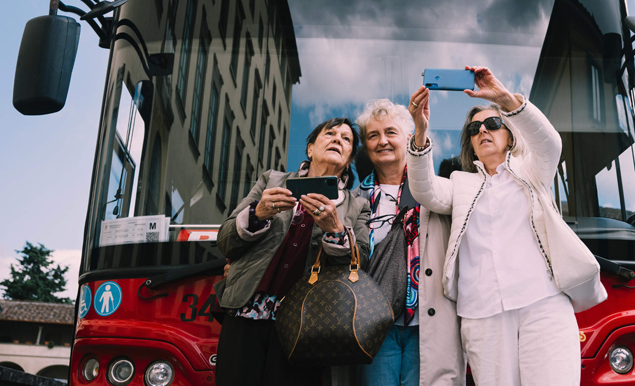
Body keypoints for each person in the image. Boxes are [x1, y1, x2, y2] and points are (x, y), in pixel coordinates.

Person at [406, 66, 607, 386]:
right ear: (471, 144)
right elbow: (424, 190)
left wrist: (505, 99)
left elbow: (550, 143)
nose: (483, 131)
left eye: (493, 123)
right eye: (474, 129)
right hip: (482, 314)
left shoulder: (532, 171)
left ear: (510, 134)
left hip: (544, 305)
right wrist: (419, 132)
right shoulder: (460, 183)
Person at [214, 117, 371, 386]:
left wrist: (336, 230)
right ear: (310, 149)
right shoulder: (272, 180)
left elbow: (361, 262)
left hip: (306, 325)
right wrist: (258, 213)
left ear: (348, 161)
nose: (337, 139)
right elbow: (225, 240)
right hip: (245, 313)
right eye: (330, 133)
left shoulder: (357, 206)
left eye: (346, 139)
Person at [355, 99, 464, 386]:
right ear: (366, 146)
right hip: (375, 325)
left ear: (407, 138)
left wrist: (422, 133)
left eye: (390, 132)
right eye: (373, 135)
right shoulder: (357, 199)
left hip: (428, 322)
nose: (382, 141)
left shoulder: (437, 192)